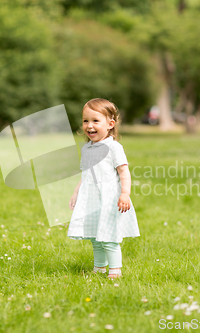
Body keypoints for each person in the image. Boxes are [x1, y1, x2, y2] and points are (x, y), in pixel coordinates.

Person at [68, 98, 140, 279]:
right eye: (86, 121)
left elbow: (124, 172)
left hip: (109, 198)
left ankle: (115, 270)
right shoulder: (87, 148)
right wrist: (77, 193)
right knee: (95, 236)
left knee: (109, 236)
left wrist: (125, 194)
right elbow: (86, 173)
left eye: (95, 121)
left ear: (110, 124)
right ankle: (99, 267)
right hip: (91, 198)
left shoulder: (114, 147)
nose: (89, 125)